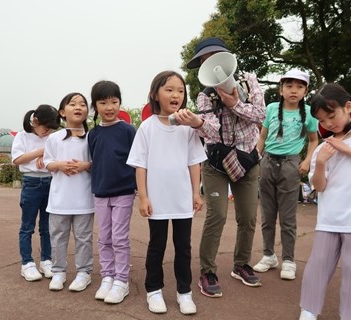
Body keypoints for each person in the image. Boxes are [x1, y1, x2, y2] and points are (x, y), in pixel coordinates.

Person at [181, 37, 266, 296]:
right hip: (217, 164)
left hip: (249, 161)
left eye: (214, 56)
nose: (210, 63)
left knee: (248, 218)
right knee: (216, 216)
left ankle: (241, 265)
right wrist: (197, 122)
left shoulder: (250, 81)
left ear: (227, 56)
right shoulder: (205, 95)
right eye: (205, 60)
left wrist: (235, 104)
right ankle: (207, 271)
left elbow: (261, 115)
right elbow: (212, 131)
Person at [127, 71, 207, 315]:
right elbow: (141, 164)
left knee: (183, 246)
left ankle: (185, 293)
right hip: (157, 199)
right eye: (169, 89)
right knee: (156, 245)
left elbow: (194, 162)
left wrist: (196, 193)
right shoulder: (147, 127)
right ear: (155, 94)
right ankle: (154, 290)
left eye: (180, 90)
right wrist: (143, 196)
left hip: (182, 197)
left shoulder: (188, 127)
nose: (176, 95)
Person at [299, 83, 351, 320]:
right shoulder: (322, 149)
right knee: (318, 267)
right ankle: (308, 312)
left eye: (332, 115)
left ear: (348, 107)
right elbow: (318, 186)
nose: (328, 123)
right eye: (322, 120)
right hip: (329, 219)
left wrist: (343, 148)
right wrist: (322, 162)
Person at [253, 69, 318, 280]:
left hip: (291, 164)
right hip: (268, 162)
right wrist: (257, 157)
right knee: (267, 215)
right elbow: (262, 137)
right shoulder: (272, 108)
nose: (294, 91)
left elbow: (313, 140)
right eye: (289, 86)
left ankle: (289, 260)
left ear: (306, 91)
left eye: (299, 87)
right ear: (281, 89)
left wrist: (307, 160)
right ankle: (269, 255)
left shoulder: (309, 113)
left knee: (288, 218)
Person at [88, 81, 136, 304]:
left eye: (114, 102)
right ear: (95, 106)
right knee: (104, 237)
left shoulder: (128, 130)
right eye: (103, 102)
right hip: (100, 192)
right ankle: (107, 276)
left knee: (119, 237)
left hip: (124, 191)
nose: (109, 107)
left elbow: (138, 161)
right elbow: (93, 161)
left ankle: (122, 280)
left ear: (120, 103)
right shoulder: (93, 134)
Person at [43, 92, 95, 292]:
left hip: (84, 198)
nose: (78, 107)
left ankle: (84, 272)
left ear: (87, 112)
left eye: (82, 104)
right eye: (72, 104)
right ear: (62, 112)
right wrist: (60, 165)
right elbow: (47, 162)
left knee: (83, 237)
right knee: (58, 237)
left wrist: (85, 165)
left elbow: (96, 163)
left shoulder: (91, 137)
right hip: (59, 199)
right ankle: (58, 272)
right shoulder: (54, 138)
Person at [11, 104, 60, 281]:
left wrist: (43, 156)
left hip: (50, 182)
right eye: (46, 128)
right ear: (35, 121)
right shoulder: (23, 136)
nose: (47, 132)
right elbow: (17, 159)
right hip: (31, 182)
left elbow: (55, 155)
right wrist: (39, 152)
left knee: (47, 227)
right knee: (27, 226)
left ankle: (46, 260)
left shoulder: (51, 137)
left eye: (51, 130)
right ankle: (27, 263)